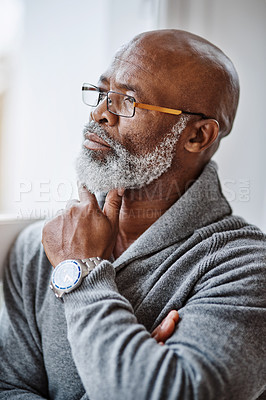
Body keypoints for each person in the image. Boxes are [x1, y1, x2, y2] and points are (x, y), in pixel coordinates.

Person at [0, 29, 265, 400]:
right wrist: (130, 377)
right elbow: (8, 389)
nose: (98, 113)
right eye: (101, 92)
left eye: (127, 101)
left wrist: (79, 272)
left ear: (198, 136)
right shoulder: (40, 246)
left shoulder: (247, 268)